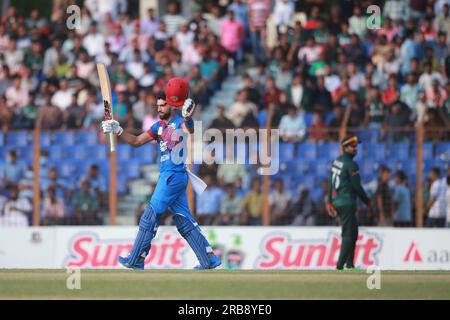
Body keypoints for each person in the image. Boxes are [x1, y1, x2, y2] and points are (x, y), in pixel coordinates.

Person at [101, 77, 221, 270]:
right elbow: (137, 141)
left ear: (171, 106)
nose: (159, 109)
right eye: (157, 106)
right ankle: (209, 259)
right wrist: (119, 130)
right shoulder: (158, 127)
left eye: (163, 105)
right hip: (171, 176)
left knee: (150, 214)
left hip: (173, 175)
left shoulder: (179, 121)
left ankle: (136, 258)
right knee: (183, 220)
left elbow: (189, 130)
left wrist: (189, 118)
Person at [327, 136, 371, 270]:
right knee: (348, 234)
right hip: (347, 201)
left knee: (353, 232)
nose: (355, 148)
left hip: (337, 201)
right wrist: (367, 201)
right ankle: (340, 266)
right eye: (352, 146)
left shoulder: (336, 161)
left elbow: (331, 183)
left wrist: (330, 202)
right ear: (345, 148)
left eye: (356, 146)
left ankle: (350, 264)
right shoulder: (351, 165)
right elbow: (357, 186)